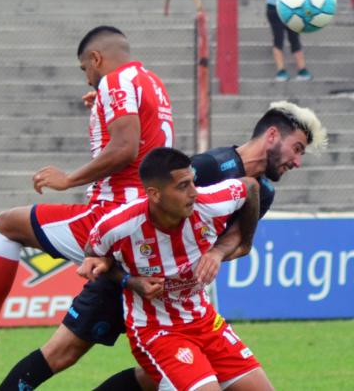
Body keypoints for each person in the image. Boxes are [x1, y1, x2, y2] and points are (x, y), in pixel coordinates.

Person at [0, 25, 175, 381]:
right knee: (142, 367)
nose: (89, 80)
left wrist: (69, 179)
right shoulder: (150, 82)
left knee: (7, 225)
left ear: (96, 58)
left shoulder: (114, 82)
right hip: (149, 222)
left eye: (86, 71)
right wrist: (103, 107)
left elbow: (125, 149)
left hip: (115, 217)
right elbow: (144, 140)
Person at [94, 100, 327, 390]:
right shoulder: (210, 167)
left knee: (166, 377)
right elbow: (155, 203)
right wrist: (129, 279)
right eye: (297, 149)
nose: (297, 161)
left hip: (196, 306)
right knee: (65, 351)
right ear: (272, 136)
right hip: (147, 300)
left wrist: (218, 252)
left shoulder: (260, 191)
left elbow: (240, 239)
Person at [80, 147, 274, 391]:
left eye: (192, 182)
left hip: (203, 319)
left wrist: (229, 248)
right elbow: (93, 254)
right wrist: (129, 281)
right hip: (156, 329)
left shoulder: (209, 202)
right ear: (155, 194)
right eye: (183, 186)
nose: (194, 192)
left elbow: (251, 188)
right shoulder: (120, 225)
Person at [265, 0, 312, 81]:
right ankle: (281, 70)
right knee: (278, 38)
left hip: (293, 7)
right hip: (275, 7)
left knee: (294, 37)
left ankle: (302, 69)